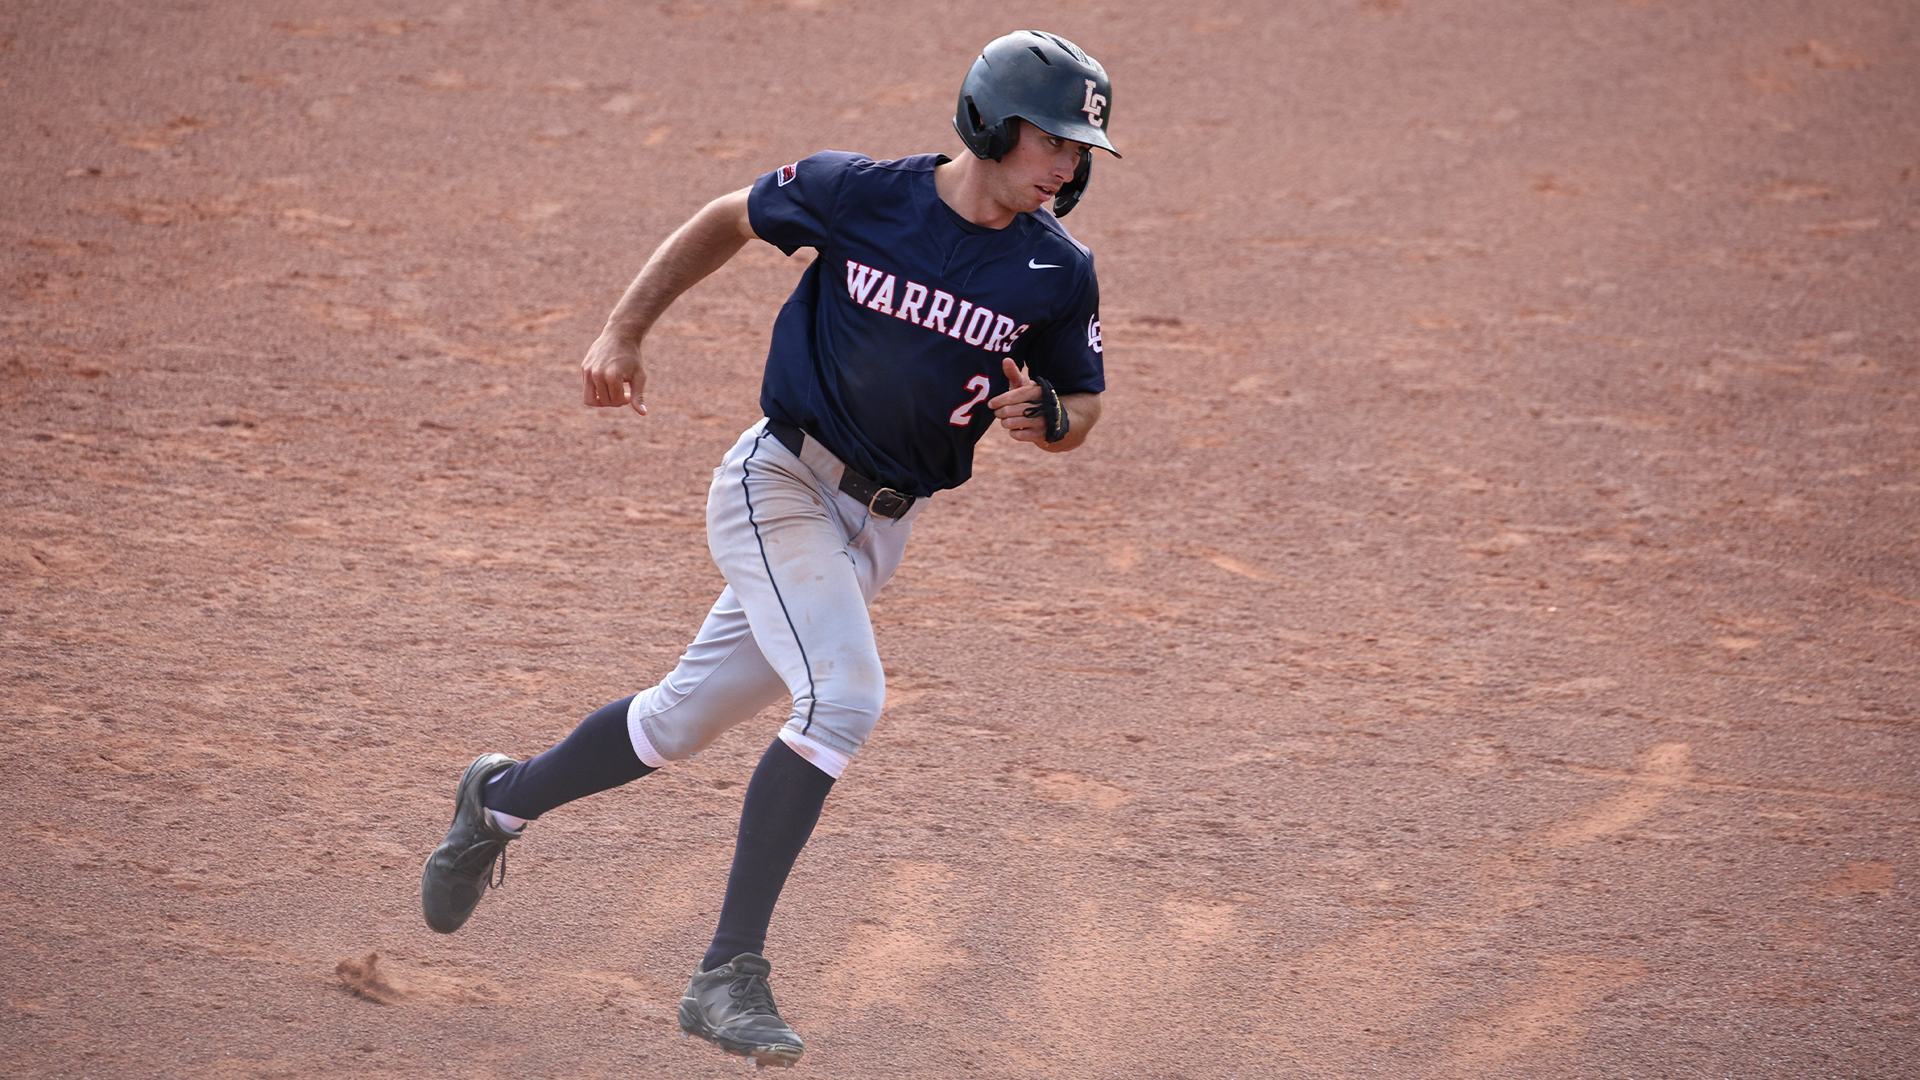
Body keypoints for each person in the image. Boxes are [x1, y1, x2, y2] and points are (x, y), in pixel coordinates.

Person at [419, 30, 1119, 1068]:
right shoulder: (859, 193)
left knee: (672, 725)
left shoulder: (1057, 271)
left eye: (1082, 151)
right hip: (779, 484)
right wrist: (624, 331)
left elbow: (1086, 407)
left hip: (880, 530)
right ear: (990, 122)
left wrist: (1049, 420)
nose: (1069, 167)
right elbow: (728, 219)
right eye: (1054, 142)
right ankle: (727, 973)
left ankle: (500, 800)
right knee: (844, 698)